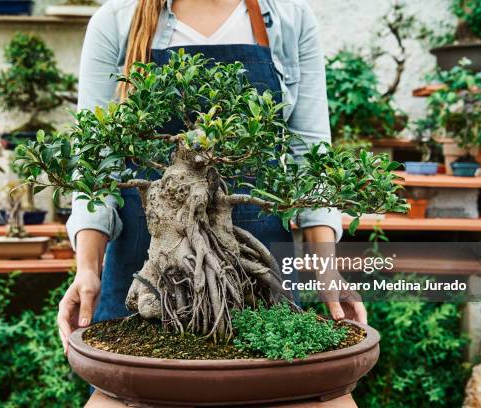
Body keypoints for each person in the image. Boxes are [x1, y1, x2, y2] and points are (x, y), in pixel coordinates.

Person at [59, 0, 367, 406]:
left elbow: (310, 154)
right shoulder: (116, 21)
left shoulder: (289, 20)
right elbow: (95, 163)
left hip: (253, 260)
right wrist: (86, 268)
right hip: (149, 257)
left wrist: (326, 269)